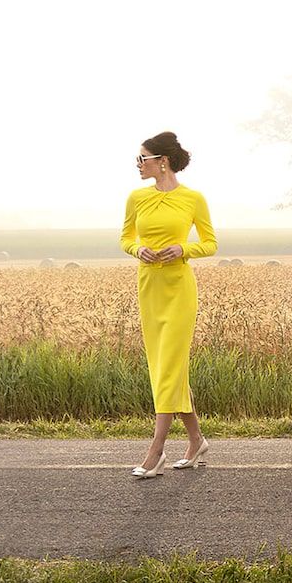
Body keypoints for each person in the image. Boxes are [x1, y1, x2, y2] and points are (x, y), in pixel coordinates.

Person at [119, 131, 217, 478]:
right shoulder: (136, 198)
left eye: (142, 158)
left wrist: (183, 249)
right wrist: (137, 249)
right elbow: (126, 237)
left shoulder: (193, 199)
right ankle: (196, 441)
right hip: (149, 285)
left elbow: (210, 243)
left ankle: (156, 450)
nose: (138, 165)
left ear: (162, 162)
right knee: (165, 367)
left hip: (179, 287)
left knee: (168, 368)